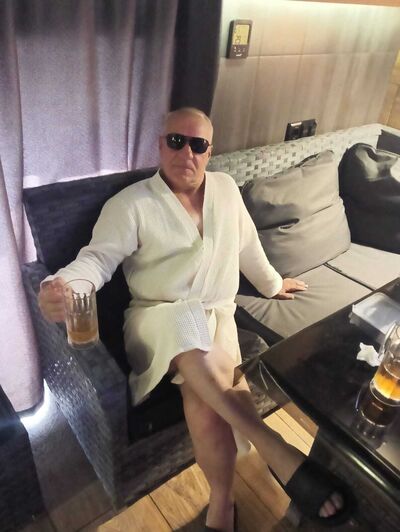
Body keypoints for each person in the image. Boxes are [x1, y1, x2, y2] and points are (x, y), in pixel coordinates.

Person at [39, 108, 351, 531]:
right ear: (160, 145)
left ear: (209, 152)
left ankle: (222, 502)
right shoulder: (131, 205)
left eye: (198, 145)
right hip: (156, 318)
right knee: (189, 337)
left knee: (202, 401)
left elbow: (248, 247)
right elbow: (95, 260)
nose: (186, 152)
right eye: (176, 141)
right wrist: (62, 286)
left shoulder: (226, 190)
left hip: (215, 317)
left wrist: (274, 284)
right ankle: (272, 444)